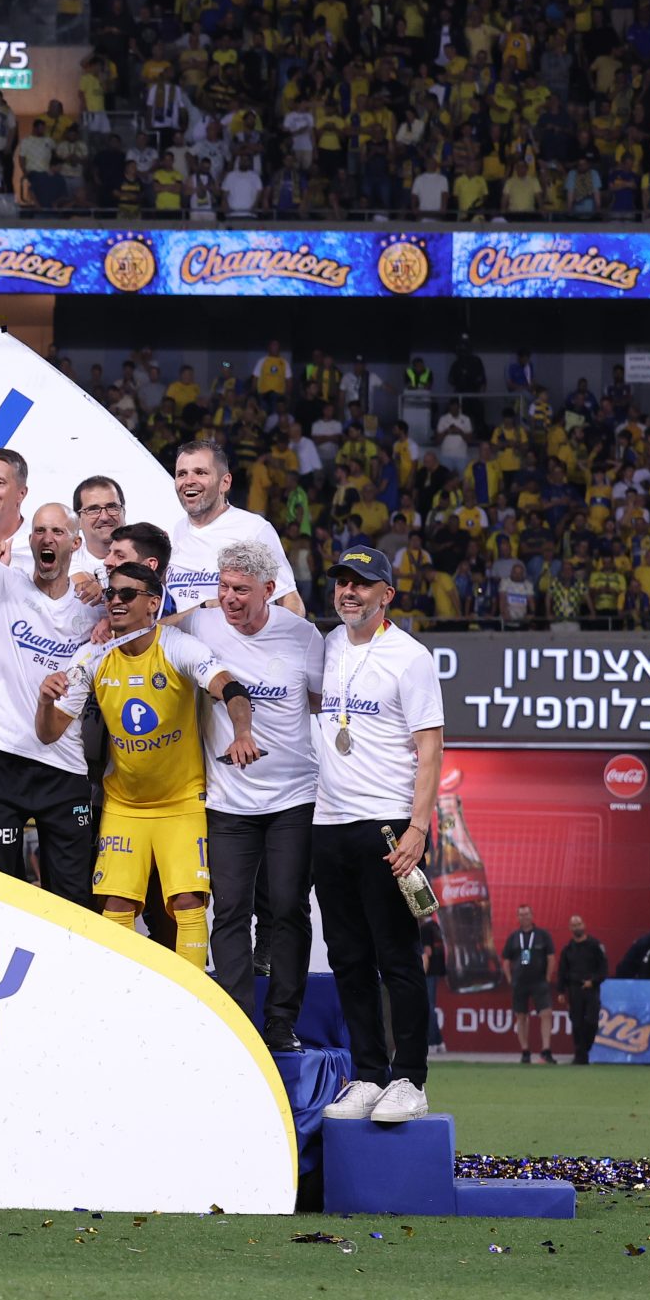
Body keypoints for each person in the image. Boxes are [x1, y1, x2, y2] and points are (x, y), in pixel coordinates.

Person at [36, 552, 260, 971]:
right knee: (116, 907)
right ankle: (120, 998)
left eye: (127, 594)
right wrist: (44, 701)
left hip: (182, 802)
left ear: (153, 602)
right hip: (124, 805)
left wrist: (242, 732)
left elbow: (231, 689)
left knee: (188, 903)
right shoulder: (91, 657)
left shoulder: (177, 647)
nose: (115, 601)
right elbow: (48, 733)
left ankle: (191, 998)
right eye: (110, 594)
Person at [309, 543, 445, 1124]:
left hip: (388, 825)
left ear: (386, 594)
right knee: (348, 959)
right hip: (329, 823)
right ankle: (368, 1074)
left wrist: (418, 828)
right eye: (342, 581)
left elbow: (430, 748)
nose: (349, 591)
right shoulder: (328, 645)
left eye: (361, 583)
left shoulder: (410, 657)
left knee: (397, 958)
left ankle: (410, 1078)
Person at [176, 539, 324, 1050]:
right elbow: (155, 633)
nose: (230, 598)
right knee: (230, 911)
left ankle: (281, 1022)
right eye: (223, 587)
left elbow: (320, 702)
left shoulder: (303, 635)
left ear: (269, 589)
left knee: (287, 908)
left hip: (293, 797)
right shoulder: (203, 624)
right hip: (228, 801)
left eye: (241, 589)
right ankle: (238, 1024)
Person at [0, 498, 104, 908]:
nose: (47, 537)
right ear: (30, 540)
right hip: (4, 758)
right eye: (40, 530)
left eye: (57, 531)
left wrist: (106, 596)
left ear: (75, 543)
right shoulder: (4, 585)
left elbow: (148, 611)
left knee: (72, 899)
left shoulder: (94, 607)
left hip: (65, 767)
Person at [168, 441, 291, 615]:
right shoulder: (175, 531)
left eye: (200, 472)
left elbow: (289, 600)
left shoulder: (254, 529)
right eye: (182, 474)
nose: (189, 481)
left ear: (225, 482)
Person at [503, 904, 557, 1063]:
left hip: (539, 981)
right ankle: (525, 1051)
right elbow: (506, 960)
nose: (524, 917)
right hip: (519, 982)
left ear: (532, 916)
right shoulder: (513, 937)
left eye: (527, 914)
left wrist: (548, 977)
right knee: (521, 1016)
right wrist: (510, 979)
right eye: (521, 915)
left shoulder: (543, 935)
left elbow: (551, 957)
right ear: (517, 917)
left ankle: (546, 1050)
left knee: (546, 1013)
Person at [557, 916, 608, 1064]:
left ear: (584, 925)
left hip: (591, 988)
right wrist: (561, 991)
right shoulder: (567, 949)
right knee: (577, 1023)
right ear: (569, 928)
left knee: (592, 1021)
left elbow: (603, 968)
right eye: (573, 925)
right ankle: (580, 1055)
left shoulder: (595, 945)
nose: (577, 927)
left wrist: (593, 981)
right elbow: (562, 970)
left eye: (578, 924)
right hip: (574, 989)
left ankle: (584, 1049)